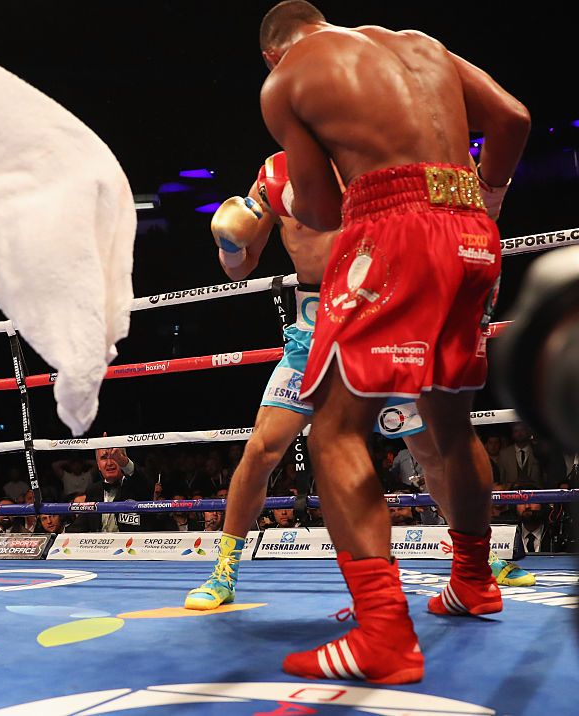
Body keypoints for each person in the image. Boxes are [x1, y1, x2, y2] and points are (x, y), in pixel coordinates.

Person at [256, 1, 529, 683]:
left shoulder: (286, 78)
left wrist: (281, 204)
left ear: (271, 53)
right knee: (449, 423)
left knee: (334, 429)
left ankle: (383, 636)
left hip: (394, 230)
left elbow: (323, 210)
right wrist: (486, 199)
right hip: (472, 235)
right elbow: (513, 119)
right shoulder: (418, 42)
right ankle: (474, 581)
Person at [184, 149, 444, 611]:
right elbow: (241, 266)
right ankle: (223, 571)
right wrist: (229, 244)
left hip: (376, 324)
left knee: (429, 449)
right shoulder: (274, 172)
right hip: (311, 332)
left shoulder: (369, 159)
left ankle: (479, 553)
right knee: (261, 449)